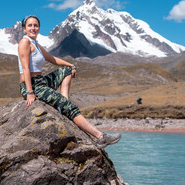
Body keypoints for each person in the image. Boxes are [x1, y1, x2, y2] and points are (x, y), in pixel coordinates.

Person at [18, 15, 121, 148]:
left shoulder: (36, 44)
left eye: (36, 25)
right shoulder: (24, 42)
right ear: (24, 28)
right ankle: (101, 137)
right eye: (30, 25)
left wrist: (71, 66)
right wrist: (30, 92)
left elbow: (52, 58)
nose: (33, 28)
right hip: (32, 86)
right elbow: (25, 68)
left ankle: (63, 104)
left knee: (66, 70)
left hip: (40, 81)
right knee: (69, 106)